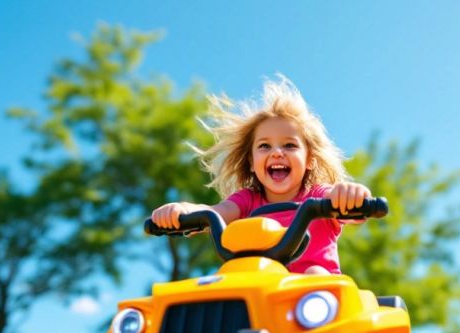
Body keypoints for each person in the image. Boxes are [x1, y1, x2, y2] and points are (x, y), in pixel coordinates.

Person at [150, 75, 370, 274]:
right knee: (222, 282)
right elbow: (214, 213)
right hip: (259, 292)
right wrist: (183, 211)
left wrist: (351, 195)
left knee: (314, 274)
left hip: (315, 305)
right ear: (252, 163)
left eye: (290, 145)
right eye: (265, 146)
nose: (276, 152)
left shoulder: (319, 197)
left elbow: (344, 203)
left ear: (309, 160)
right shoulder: (248, 201)